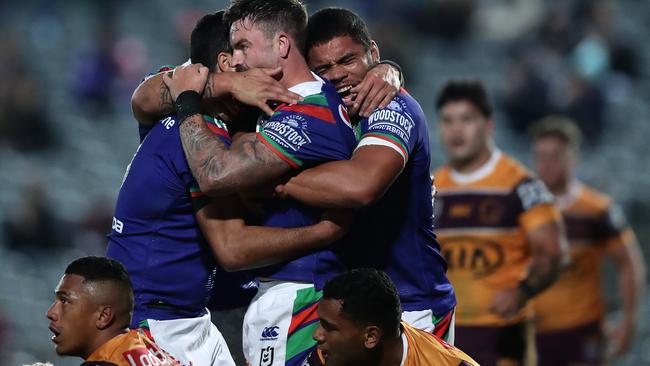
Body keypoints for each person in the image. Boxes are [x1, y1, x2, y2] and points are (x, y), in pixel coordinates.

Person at [108, 11, 349, 366]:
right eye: (237, 51)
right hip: (155, 321)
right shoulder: (197, 135)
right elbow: (232, 247)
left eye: (244, 47)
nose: (243, 59)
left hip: (195, 316)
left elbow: (148, 97)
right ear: (226, 63)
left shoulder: (180, 113)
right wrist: (323, 232)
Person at [275, 7, 456, 340]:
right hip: (357, 310)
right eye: (324, 68)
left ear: (373, 53)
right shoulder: (328, 117)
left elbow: (362, 187)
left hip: (413, 306)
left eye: (347, 61)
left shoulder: (391, 106)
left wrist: (280, 180)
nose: (338, 74)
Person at [432, 79, 567, 365]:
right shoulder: (431, 188)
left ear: (489, 125)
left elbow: (553, 253)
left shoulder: (520, 185)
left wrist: (522, 292)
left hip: (502, 336)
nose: (456, 129)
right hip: (445, 333)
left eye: (466, 119)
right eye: (448, 121)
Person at [530, 116, 646, 366]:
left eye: (556, 156)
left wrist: (628, 321)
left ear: (573, 157)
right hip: (532, 333)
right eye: (542, 156)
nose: (548, 165)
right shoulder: (522, 211)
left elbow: (629, 263)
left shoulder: (597, 210)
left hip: (581, 333)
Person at [312, 268, 478, 366]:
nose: (316, 335)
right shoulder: (330, 355)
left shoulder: (447, 364)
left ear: (371, 336)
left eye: (330, 327)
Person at [46, 256, 181, 366]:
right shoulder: (153, 347)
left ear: (103, 316)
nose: (51, 313)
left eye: (64, 301)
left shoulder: (105, 363)